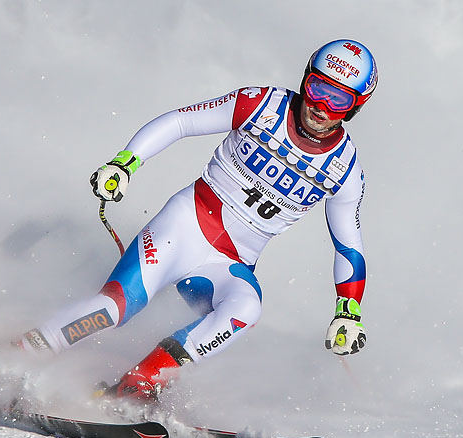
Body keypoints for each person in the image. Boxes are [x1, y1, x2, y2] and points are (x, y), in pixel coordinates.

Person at [18, 39, 377, 406]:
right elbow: (182, 121)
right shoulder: (261, 104)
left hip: (230, 264)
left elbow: (348, 244)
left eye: (339, 99)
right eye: (318, 88)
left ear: (355, 107)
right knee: (117, 308)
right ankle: (24, 353)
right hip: (185, 227)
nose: (321, 107)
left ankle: (142, 381)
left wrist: (348, 311)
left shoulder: (346, 170)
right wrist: (126, 163)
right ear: (305, 80)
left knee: (246, 310)